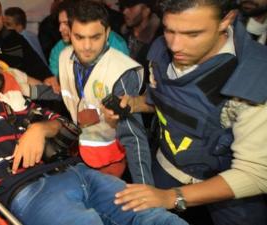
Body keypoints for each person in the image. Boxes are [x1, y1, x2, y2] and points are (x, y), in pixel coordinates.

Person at [0, 30, 188, 225]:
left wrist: (42, 130)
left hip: (80, 172)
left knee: (156, 217)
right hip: (29, 190)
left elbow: (69, 127)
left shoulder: (20, 102)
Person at [104, 1, 267, 225]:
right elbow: (160, 101)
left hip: (229, 187)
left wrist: (173, 197)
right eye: (169, 30)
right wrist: (135, 103)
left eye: (192, 34)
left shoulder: (254, 77)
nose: (175, 45)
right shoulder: (160, 50)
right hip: (168, 166)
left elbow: (256, 173)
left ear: (226, 20)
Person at [58, 0, 153, 182]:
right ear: (69, 34)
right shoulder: (64, 57)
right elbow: (65, 92)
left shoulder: (121, 71)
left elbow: (133, 136)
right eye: (79, 37)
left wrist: (145, 187)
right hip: (81, 152)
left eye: (95, 37)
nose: (87, 46)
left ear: (107, 33)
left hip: (113, 162)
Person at [49, 0, 130, 77]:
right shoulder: (59, 51)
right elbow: (57, 81)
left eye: (66, 23)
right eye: (60, 23)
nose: (61, 29)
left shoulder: (117, 44)